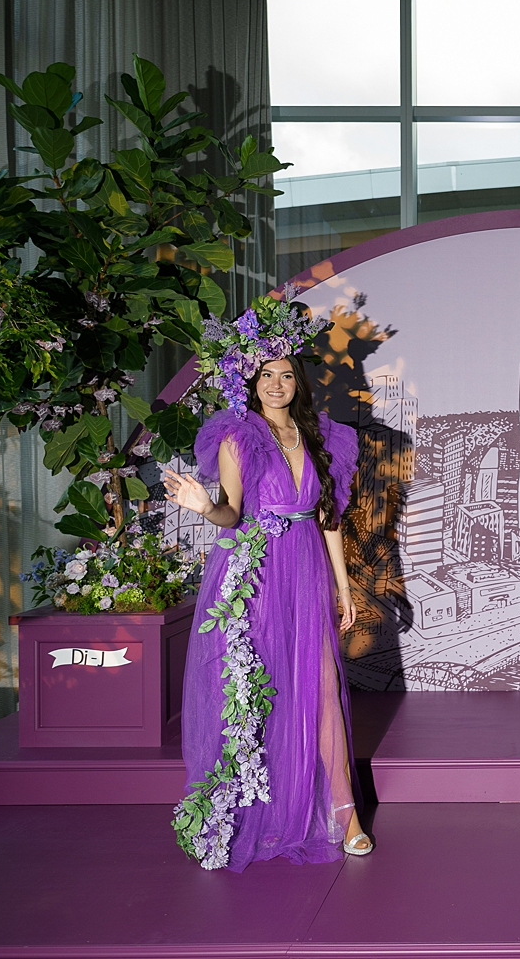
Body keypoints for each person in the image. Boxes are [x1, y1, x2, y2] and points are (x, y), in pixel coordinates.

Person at [163, 297, 370, 870]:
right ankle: (266, 814)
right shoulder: (237, 436)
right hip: (253, 575)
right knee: (258, 696)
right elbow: (233, 514)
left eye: (285, 375)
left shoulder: (323, 437)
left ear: (296, 381)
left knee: (322, 692)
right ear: (250, 381)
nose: (277, 384)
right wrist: (204, 506)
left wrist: (344, 588)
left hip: (305, 570)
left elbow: (328, 517)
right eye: (266, 375)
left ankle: (345, 813)